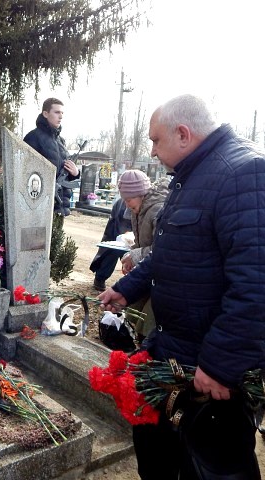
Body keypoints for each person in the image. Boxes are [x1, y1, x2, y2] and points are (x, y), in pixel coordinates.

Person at [98, 94, 264, 479]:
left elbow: (256, 285)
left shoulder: (243, 173)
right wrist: (128, 287)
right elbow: (169, 252)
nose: (152, 151)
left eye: (156, 140)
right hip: (173, 351)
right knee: (158, 456)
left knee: (206, 465)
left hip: (207, 370)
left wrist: (220, 365)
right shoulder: (192, 177)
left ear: (184, 135)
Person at [117, 169, 169, 341]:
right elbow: (141, 243)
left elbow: (163, 249)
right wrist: (132, 257)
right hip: (149, 273)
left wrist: (136, 255)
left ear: (141, 194)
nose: (127, 205)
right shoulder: (138, 210)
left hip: (163, 278)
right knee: (133, 312)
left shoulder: (157, 210)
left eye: (129, 199)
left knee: (147, 322)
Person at [23, 98, 80, 216]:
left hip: (61, 208)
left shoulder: (61, 141)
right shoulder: (33, 137)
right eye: (57, 112)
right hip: (41, 207)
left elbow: (64, 173)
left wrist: (75, 173)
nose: (61, 116)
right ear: (45, 113)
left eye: (62, 113)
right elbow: (27, 172)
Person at [89, 197, 132, 292]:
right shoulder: (122, 203)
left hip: (135, 230)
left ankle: (133, 282)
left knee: (134, 255)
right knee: (112, 249)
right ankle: (100, 277)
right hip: (119, 229)